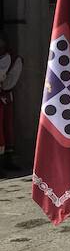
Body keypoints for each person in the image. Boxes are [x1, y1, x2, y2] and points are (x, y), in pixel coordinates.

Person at [0, 31, 23, 173]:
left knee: (6, 130)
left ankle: (6, 162)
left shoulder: (12, 58)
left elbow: (8, 82)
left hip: (4, 98)